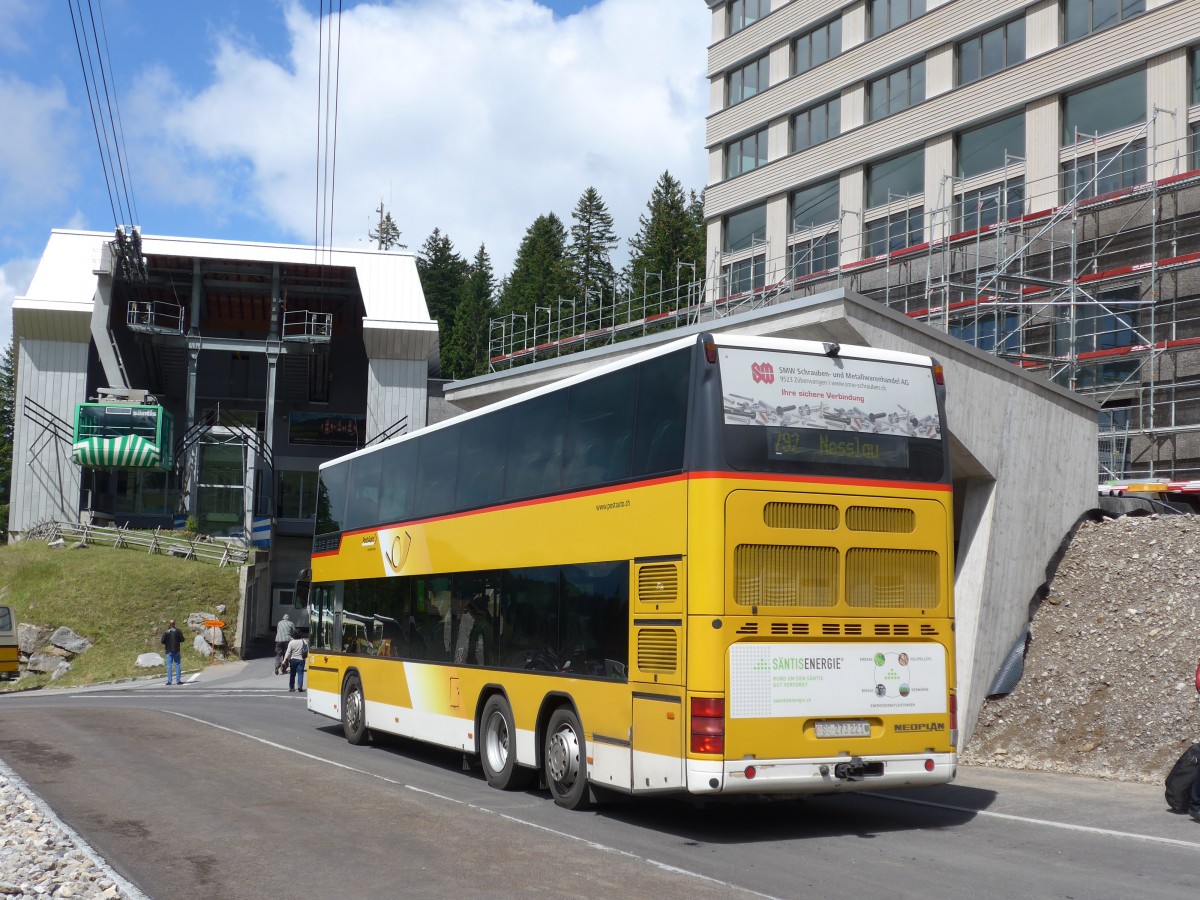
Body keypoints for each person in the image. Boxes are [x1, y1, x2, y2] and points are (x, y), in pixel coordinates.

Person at [283, 628, 309, 692]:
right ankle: (300, 686)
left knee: (292, 674)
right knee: (300, 673)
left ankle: (292, 687)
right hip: (301, 660)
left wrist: (284, 660)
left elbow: (288, 652)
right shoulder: (304, 641)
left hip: (293, 659)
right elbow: (306, 650)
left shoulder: (291, 642)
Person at [161, 619, 184, 685]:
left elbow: (162, 641)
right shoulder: (178, 631)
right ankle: (178, 681)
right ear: (174, 624)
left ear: (169, 624)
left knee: (169, 666)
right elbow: (182, 639)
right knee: (177, 665)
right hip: (176, 650)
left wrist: (166, 642)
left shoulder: (166, 632)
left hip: (168, 651)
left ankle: (169, 681)